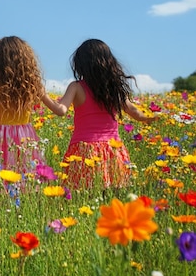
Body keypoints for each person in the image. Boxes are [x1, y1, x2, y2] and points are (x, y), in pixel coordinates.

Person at [48, 39, 154, 189]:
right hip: (113, 150)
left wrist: (41, 95)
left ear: (81, 64)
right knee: (112, 196)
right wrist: (151, 118)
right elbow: (135, 112)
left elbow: (60, 110)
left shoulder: (77, 87)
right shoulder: (113, 90)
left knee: (84, 194)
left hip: (84, 151)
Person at [0, 36, 62, 186]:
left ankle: (1, 203)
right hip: (25, 136)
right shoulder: (32, 84)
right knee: (27, 172)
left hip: (1, 136)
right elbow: (57, 109)